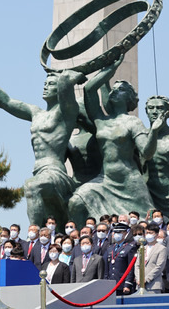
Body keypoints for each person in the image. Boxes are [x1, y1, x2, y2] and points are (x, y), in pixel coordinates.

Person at [0, 56, 87, 228]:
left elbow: (66, 92)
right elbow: (6, 102)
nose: (46, 87)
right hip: (39, 171)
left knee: (32, 187)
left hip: (55, 172)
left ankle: (34, 236)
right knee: (46, 206)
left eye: (51, 84)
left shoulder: (65, 114)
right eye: (45, 84)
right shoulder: (35, 113)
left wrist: (68, 78)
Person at [68, 55, 163, 222]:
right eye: (113, 88)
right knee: (76, 202)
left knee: (144, 222)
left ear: (129, 98)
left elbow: (147, 153)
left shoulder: (133, 122)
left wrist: (154, 131)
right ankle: (80, 241)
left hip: (129, 182)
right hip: (104, 180)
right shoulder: (100, 120)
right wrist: (110, 69)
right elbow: (89, 89)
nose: (114, 91)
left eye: (120, 89)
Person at [104, 223, 138, 294]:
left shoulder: (130, 247)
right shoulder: (110, 248)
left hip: (122, 284)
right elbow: (106, 269)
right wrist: (106, 282)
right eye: (115, 232)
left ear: (125, 233)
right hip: (111, 284)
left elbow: (130, 268)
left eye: (119, 232)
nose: (117, 234)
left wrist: (127, 284)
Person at [135, 223, 167, 294]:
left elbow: (159, 267)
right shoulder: (142, 247)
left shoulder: (161, 249)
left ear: (156, 234)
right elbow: (137, 265)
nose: (148, 235)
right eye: (147, 233)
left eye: (151, 233)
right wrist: (138, 279)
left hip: (153, 285)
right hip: (139, 285)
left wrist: (146, 279)